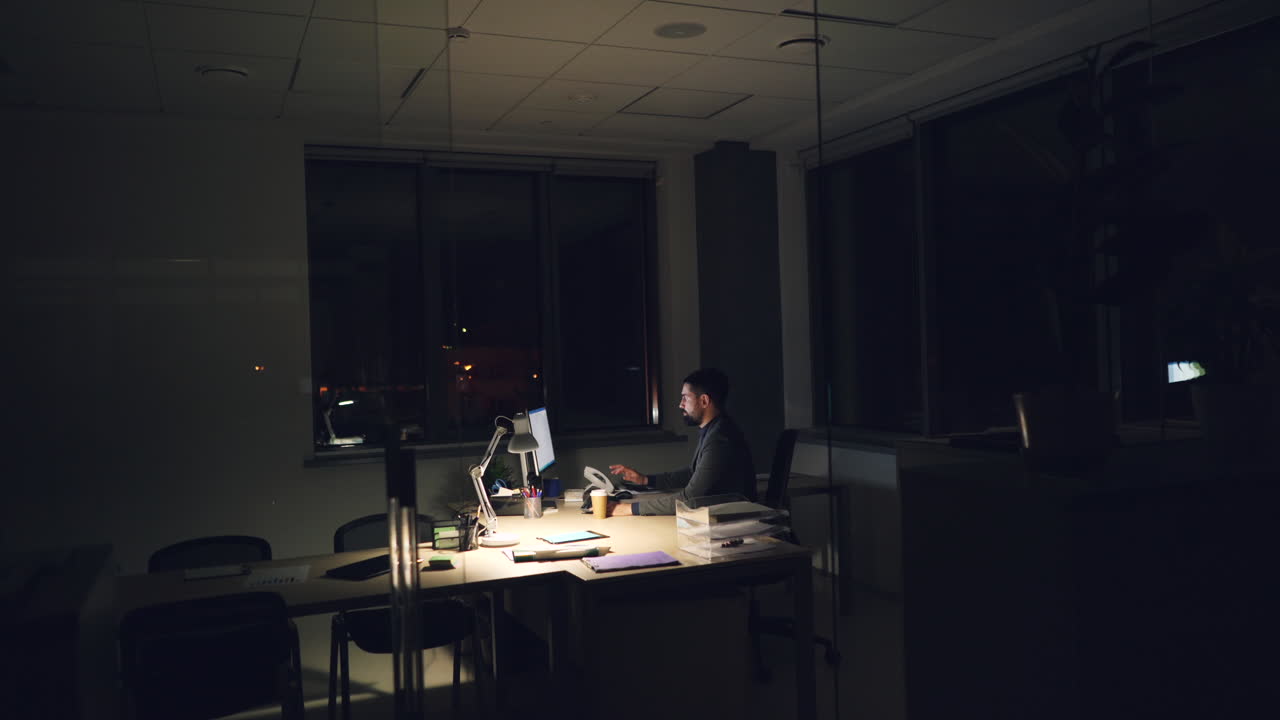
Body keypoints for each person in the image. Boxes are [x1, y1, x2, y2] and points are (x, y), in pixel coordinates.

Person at [605, 368, 756, 516]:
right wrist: (645, 479)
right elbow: (693, 473)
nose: (680, 404)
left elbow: (689, 499)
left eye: (685, 398)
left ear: (704, 400)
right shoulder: (714, 429)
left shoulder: (720, 439)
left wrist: (628, 509)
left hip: (734, 524)